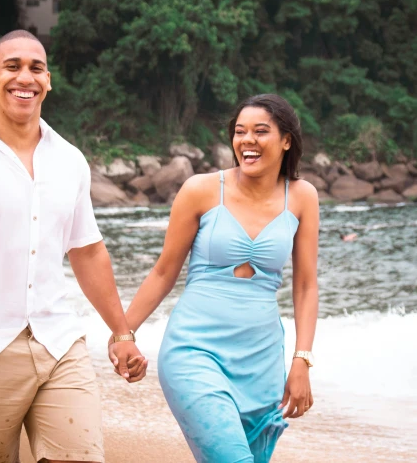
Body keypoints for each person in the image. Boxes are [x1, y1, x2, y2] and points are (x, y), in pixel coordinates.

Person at [0, 30, 146, 463]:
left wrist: (122, 332)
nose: (26, 77)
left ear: (49, 80)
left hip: (59, 341)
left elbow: (88, 251)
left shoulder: (70, 160)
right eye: (12, 66)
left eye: (36, 68)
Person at [109, 94, 319, 462]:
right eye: (240, 132)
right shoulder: (201, 190)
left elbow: (305, 286)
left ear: (286, 140)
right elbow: (163, 271)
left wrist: (301, 361)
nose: (247, 140)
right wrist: (123, 332)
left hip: (262, 360)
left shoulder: (301, 197)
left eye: (260, 131)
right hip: (195, 350)